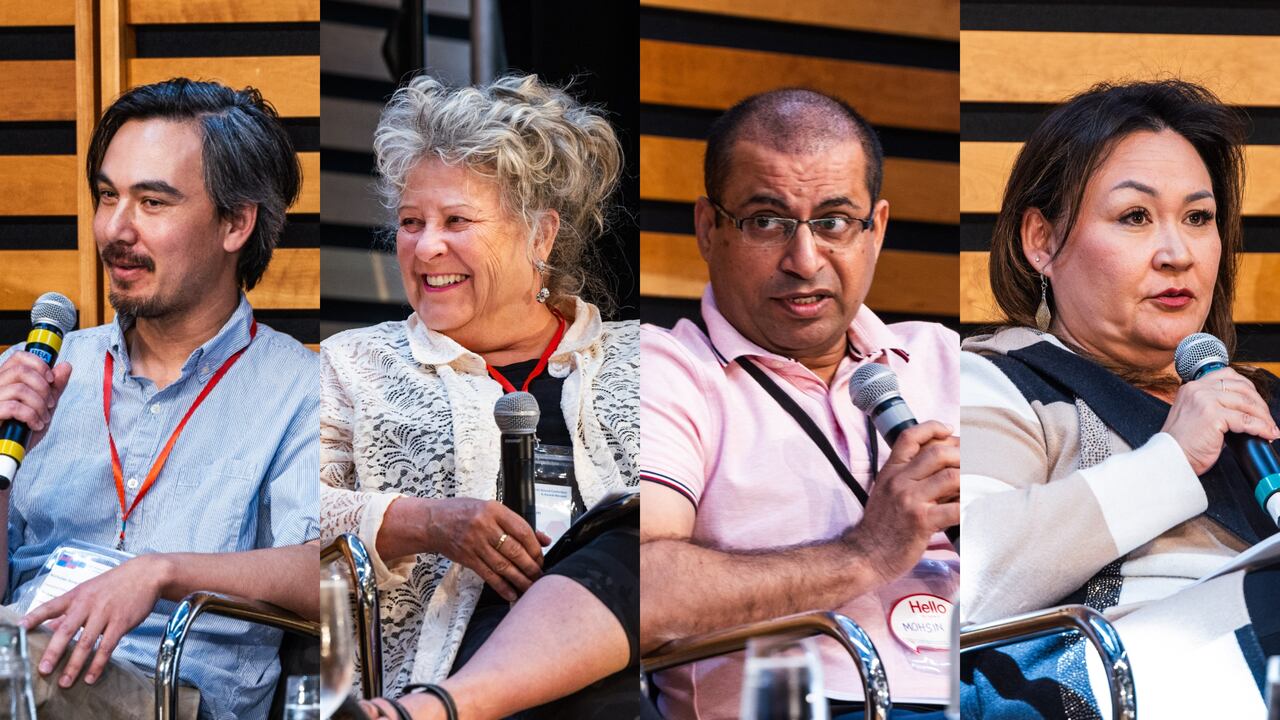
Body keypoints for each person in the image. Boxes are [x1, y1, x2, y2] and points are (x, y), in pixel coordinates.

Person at [318, 73, 638, 720]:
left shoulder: (643, 357)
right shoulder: (355, 364)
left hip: (623, 671)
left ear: (541, 237)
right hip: (451, 660)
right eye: (411, 222)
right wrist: (428, 523)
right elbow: (282, 517)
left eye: (456, 220)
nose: (425, 245)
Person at [960, 79, 1280, 718]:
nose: (1177, 253)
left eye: (1199, 218)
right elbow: (966, 576)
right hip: (1113, 680)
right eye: (1135, 217)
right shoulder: (995, 379)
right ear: (1042, 242)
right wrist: (1171, 459)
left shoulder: (1259, 398)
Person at [0, 79, 319, 719]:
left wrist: (160, 571)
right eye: (107, 196)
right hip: (20, 657)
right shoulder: (47, 369)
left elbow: (330, 572)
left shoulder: (299, 389)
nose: (116, 228)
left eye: (152, 202)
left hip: (170, 686)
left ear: (235, 222)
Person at [640, 88, 960, 719]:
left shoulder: (942, 358)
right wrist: (865, 553)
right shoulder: (667, 369)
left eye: (835, 222)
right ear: (709, 228)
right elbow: (640, 591)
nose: (804, 260)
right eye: (767, 221)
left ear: (878, 229)